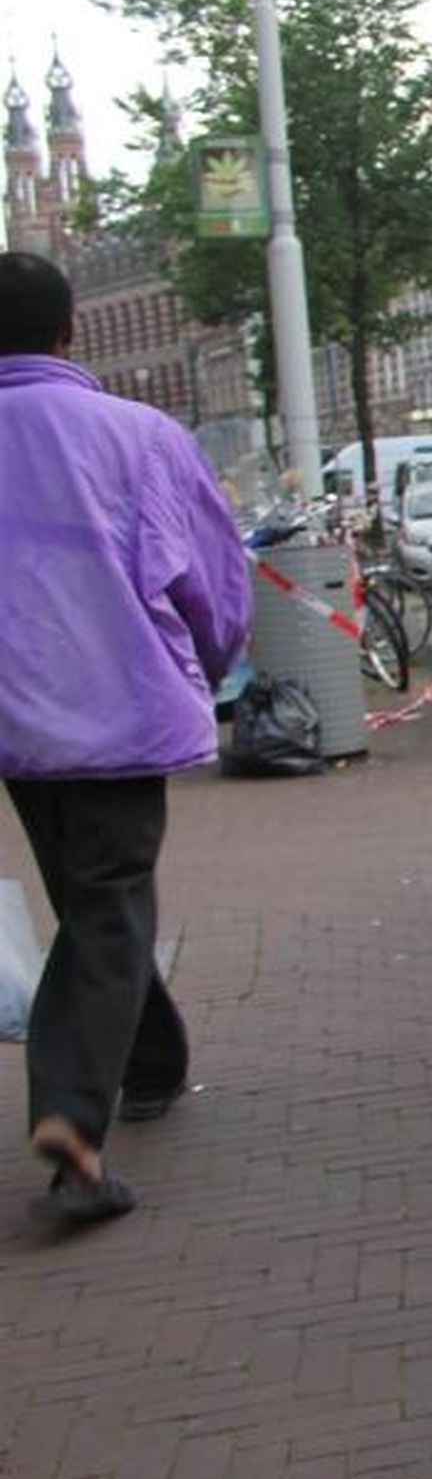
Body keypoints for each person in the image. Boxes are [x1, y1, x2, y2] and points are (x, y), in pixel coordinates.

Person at [0, 251, 251, 1226]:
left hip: (14, 725)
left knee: (89, 896)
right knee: (107, 904)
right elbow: (213, 583)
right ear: (69, 333)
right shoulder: (138, 438)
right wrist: (212, 664)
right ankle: (72, 1130)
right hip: (114, 712)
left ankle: (152, 1060)